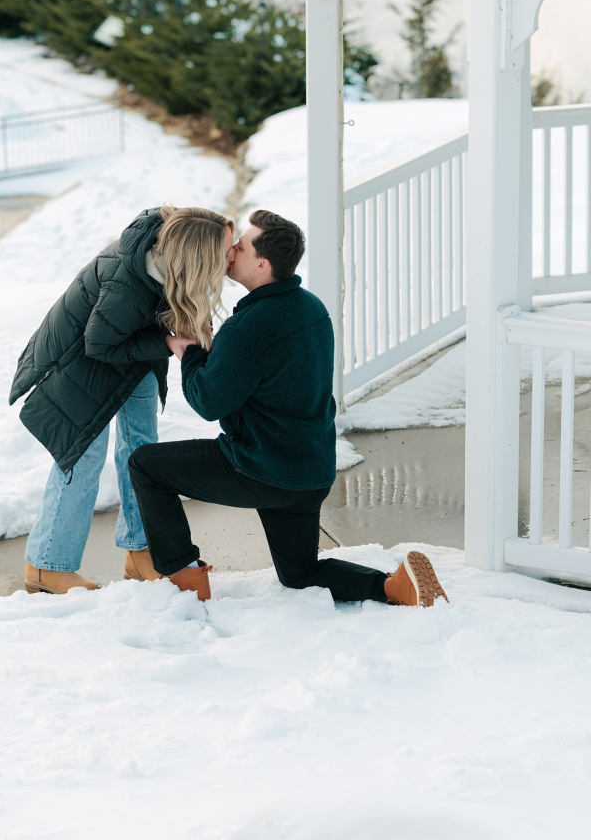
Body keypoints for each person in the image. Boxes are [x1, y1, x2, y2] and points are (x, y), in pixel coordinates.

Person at [129, 209, 448, 608]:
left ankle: (184, 576)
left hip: (260, 470)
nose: (230, 252)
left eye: (240, 247)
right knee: (300, 574)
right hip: (309, 473)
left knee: (146, 465)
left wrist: (192, 349)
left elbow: (208, 402)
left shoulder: (249, 328)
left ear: (261, 264)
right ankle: (393, 587)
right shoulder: (311, 307)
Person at [9, 205, 234, 595]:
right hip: (81, 370)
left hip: (132, 361)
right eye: (226, 251)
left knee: (142, 450)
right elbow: (98, 343)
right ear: (197, 257)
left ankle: (140, 550)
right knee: (81, 459)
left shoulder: (169, 261)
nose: (231, 257)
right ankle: (47, 565)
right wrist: (165, 340)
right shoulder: (127, 279)